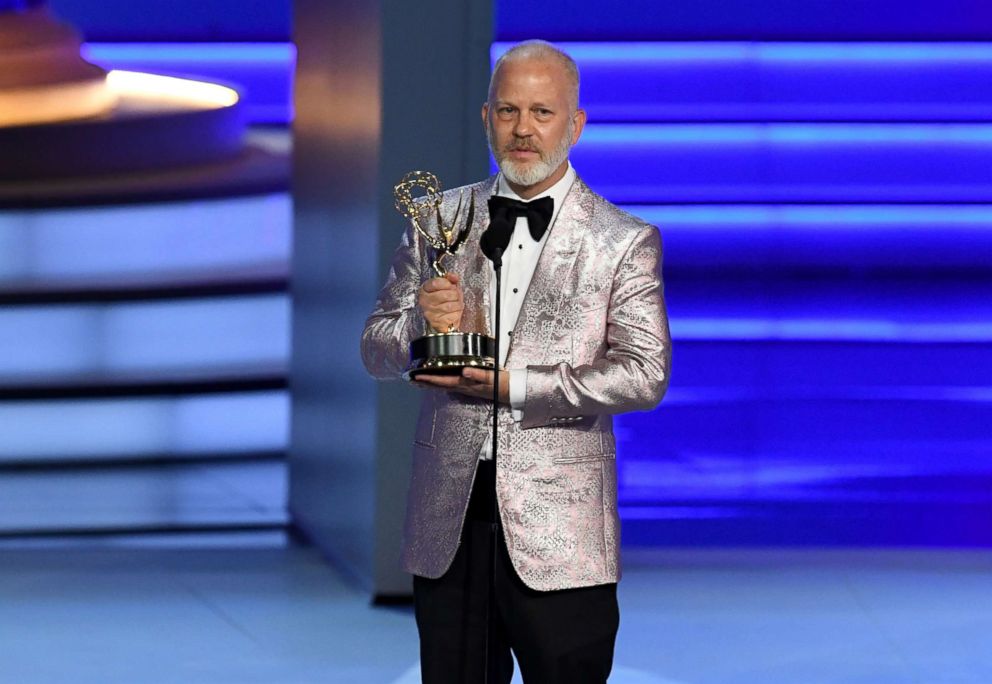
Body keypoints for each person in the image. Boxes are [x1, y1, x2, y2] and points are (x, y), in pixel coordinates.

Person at [361, 39, 671, 684]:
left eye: (542, 112)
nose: (523, 130)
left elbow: (644, 373)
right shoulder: (441, 217)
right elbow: (376, 348)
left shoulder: (621, 240)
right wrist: (423, 321)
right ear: (485, 118)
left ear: (575, 124)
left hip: (562, 529)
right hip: (452, 518)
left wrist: (513, 385)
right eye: (508, 112)